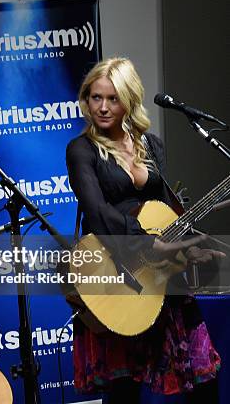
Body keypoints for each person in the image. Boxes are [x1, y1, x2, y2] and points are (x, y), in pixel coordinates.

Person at [66, 57, 224, 402]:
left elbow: (164, 210)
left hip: (163, 275)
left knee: (203, 379)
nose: (103, 108)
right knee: (125, 390)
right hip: (119, 271)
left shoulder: (151, 145)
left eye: (113, 98)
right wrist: (148, 243)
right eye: (96, 97)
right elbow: (97, 212)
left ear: (129, 100)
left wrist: (188, 245)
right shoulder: (82, 150)